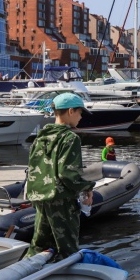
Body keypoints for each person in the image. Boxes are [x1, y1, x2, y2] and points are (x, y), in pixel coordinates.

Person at [26, 92, 96, 259]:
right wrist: (88, 188)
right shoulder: (70, 138)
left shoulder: (40, 137)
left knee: (39, 244)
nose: (81, 117)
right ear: (71, 111)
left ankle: (25, 270)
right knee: (67, 248)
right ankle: (67, 273)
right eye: (80, 112)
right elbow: (67, 174)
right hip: (61, 200)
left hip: (40, 196)